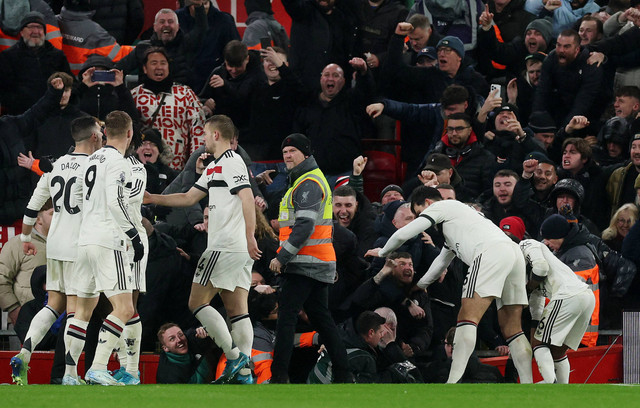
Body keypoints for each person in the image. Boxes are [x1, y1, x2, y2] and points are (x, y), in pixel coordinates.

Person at [365, 186, 533, 384]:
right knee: (513, 329)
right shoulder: (458, 224)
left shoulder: (443, 205)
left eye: (418, 213)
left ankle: (453, 382)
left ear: (427, 203)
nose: (422, 221)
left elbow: (404, 234)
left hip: (489, 253)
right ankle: (528, 383)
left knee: (466, 319)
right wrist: (420, 285)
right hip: (513, 254)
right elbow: (441, 262)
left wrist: (383, 251)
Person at [144, 115, 261, 385]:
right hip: (236, 248)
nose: (203, 140)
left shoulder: (232, 161)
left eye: (206, 135)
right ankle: (244, 375)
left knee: (196, 302)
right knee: (238, 310)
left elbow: (246, 197)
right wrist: (153, 197)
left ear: (216, 135)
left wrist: (249, 235)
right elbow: (188, 197)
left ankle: (234, 357)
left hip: (225, 245)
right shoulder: (216, 166)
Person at [9, 116, 102, 386]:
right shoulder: (95, 167)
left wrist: (26, 236)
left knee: (54, 304)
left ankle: (24, 353)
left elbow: (32, 206)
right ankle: (71, 374)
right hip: (81, 246)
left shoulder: (57, 164)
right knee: (80, 309)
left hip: (56, 245)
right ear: (94, 136)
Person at [64, 111, 143, 386]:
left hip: (84, 241)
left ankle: (69, 375)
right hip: (108, 240)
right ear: (130, 134)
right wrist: (133, 235)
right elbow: (115, 202)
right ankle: (97, 367)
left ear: (105, 132)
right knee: (124, 308)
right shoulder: (119, 163)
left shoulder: (90, 160)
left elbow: (75, 198)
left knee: (82, 311)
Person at [268, 133, 353, 384]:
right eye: (284, 152)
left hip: (304, 263)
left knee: (286, 319)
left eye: (292, 151)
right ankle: (344, 374)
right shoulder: (305, 180)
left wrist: (282, 257)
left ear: (305, 153)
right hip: (315, 261)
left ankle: (279, 376)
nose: (287, 156)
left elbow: (304, 226)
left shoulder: (308, 182)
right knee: (322, 320)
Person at [519, 238, 595, 383]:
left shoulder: (526, 244)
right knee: (558, 351)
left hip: (567, 295)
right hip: (586, 297)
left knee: (540, 344)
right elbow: (537, 307)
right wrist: (535, 332)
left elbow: (541, 269)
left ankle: (550, 384)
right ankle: (562, 390)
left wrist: (528, 287)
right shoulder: (530, 270)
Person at [131, 47, 206, 171]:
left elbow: (198, 131)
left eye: (163, 63)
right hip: (143, 167)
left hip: (178, 169)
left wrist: (195, 164)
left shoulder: (186, 94)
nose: (159, 67)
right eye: (154, 63)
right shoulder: (135, 95)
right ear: (145, 68)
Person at [539, 214, 600, 347]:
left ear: (560, 235)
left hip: (578, 334)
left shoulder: (580, 257)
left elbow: (569, 294)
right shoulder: (564, 252)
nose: (545, 242)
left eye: (548, 238)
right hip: (569, 329)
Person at [0, 11, 71, 115]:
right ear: (21, 32)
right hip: (21, 117)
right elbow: (3, 91)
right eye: (31, 27)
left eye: (40, 27)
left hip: (52, 115)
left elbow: (70, 83)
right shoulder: (8, 56)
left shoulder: (57, 56)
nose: (36, 31)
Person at [0, 204, 52, 329]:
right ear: (38, 219)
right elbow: (1, 278)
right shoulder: (18, 243)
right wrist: (13, 309)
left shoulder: (68, 246)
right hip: (26, 320)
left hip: (60, 320)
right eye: (52, 213)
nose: (58, 217)